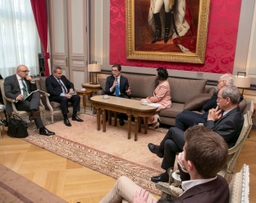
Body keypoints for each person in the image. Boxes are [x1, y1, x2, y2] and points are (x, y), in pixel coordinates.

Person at [99, 125, 229, 203]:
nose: (181, 152)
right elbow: (193, 185)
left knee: (122, 182)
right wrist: (184, 168)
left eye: (183, 149)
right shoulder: (221, 182)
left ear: (191, 165)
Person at [148, 85, 244, 183]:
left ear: (228, 100)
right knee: (169, 143)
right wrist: (212, 119)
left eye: (219, 98)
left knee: (173, 131)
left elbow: (213, 141)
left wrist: (210, 120)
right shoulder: (229, 113)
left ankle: (160, 150)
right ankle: (166, 175)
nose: (217, 101)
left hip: (208, 153)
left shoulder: (233, 120)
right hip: (206, 145)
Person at [4, 64, 55, 136]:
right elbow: (7, 93)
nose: (27, 73)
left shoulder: (26, 78)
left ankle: (33, 112)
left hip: (29, 99)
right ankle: (42, 128)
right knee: (34, 107)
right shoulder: (9, 79)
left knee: (36, 93)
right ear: (19, 72)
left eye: (27, 71)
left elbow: (33, 90)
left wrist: (31, 81)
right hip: (19, 102)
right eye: (25, 71)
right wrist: (16, 96)